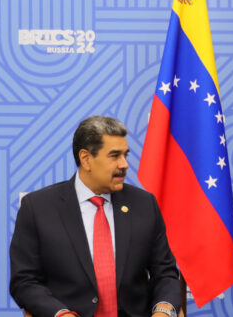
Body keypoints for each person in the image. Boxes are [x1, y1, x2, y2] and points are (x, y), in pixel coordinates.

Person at [10, 116, 183, 317]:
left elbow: (165, 273)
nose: (125, 164)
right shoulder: (38, 208)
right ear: (86, 159)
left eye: (125, 155)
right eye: (114, 156)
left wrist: (164, 310)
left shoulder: (144, 205)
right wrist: (60, 314)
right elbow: (24, 281)